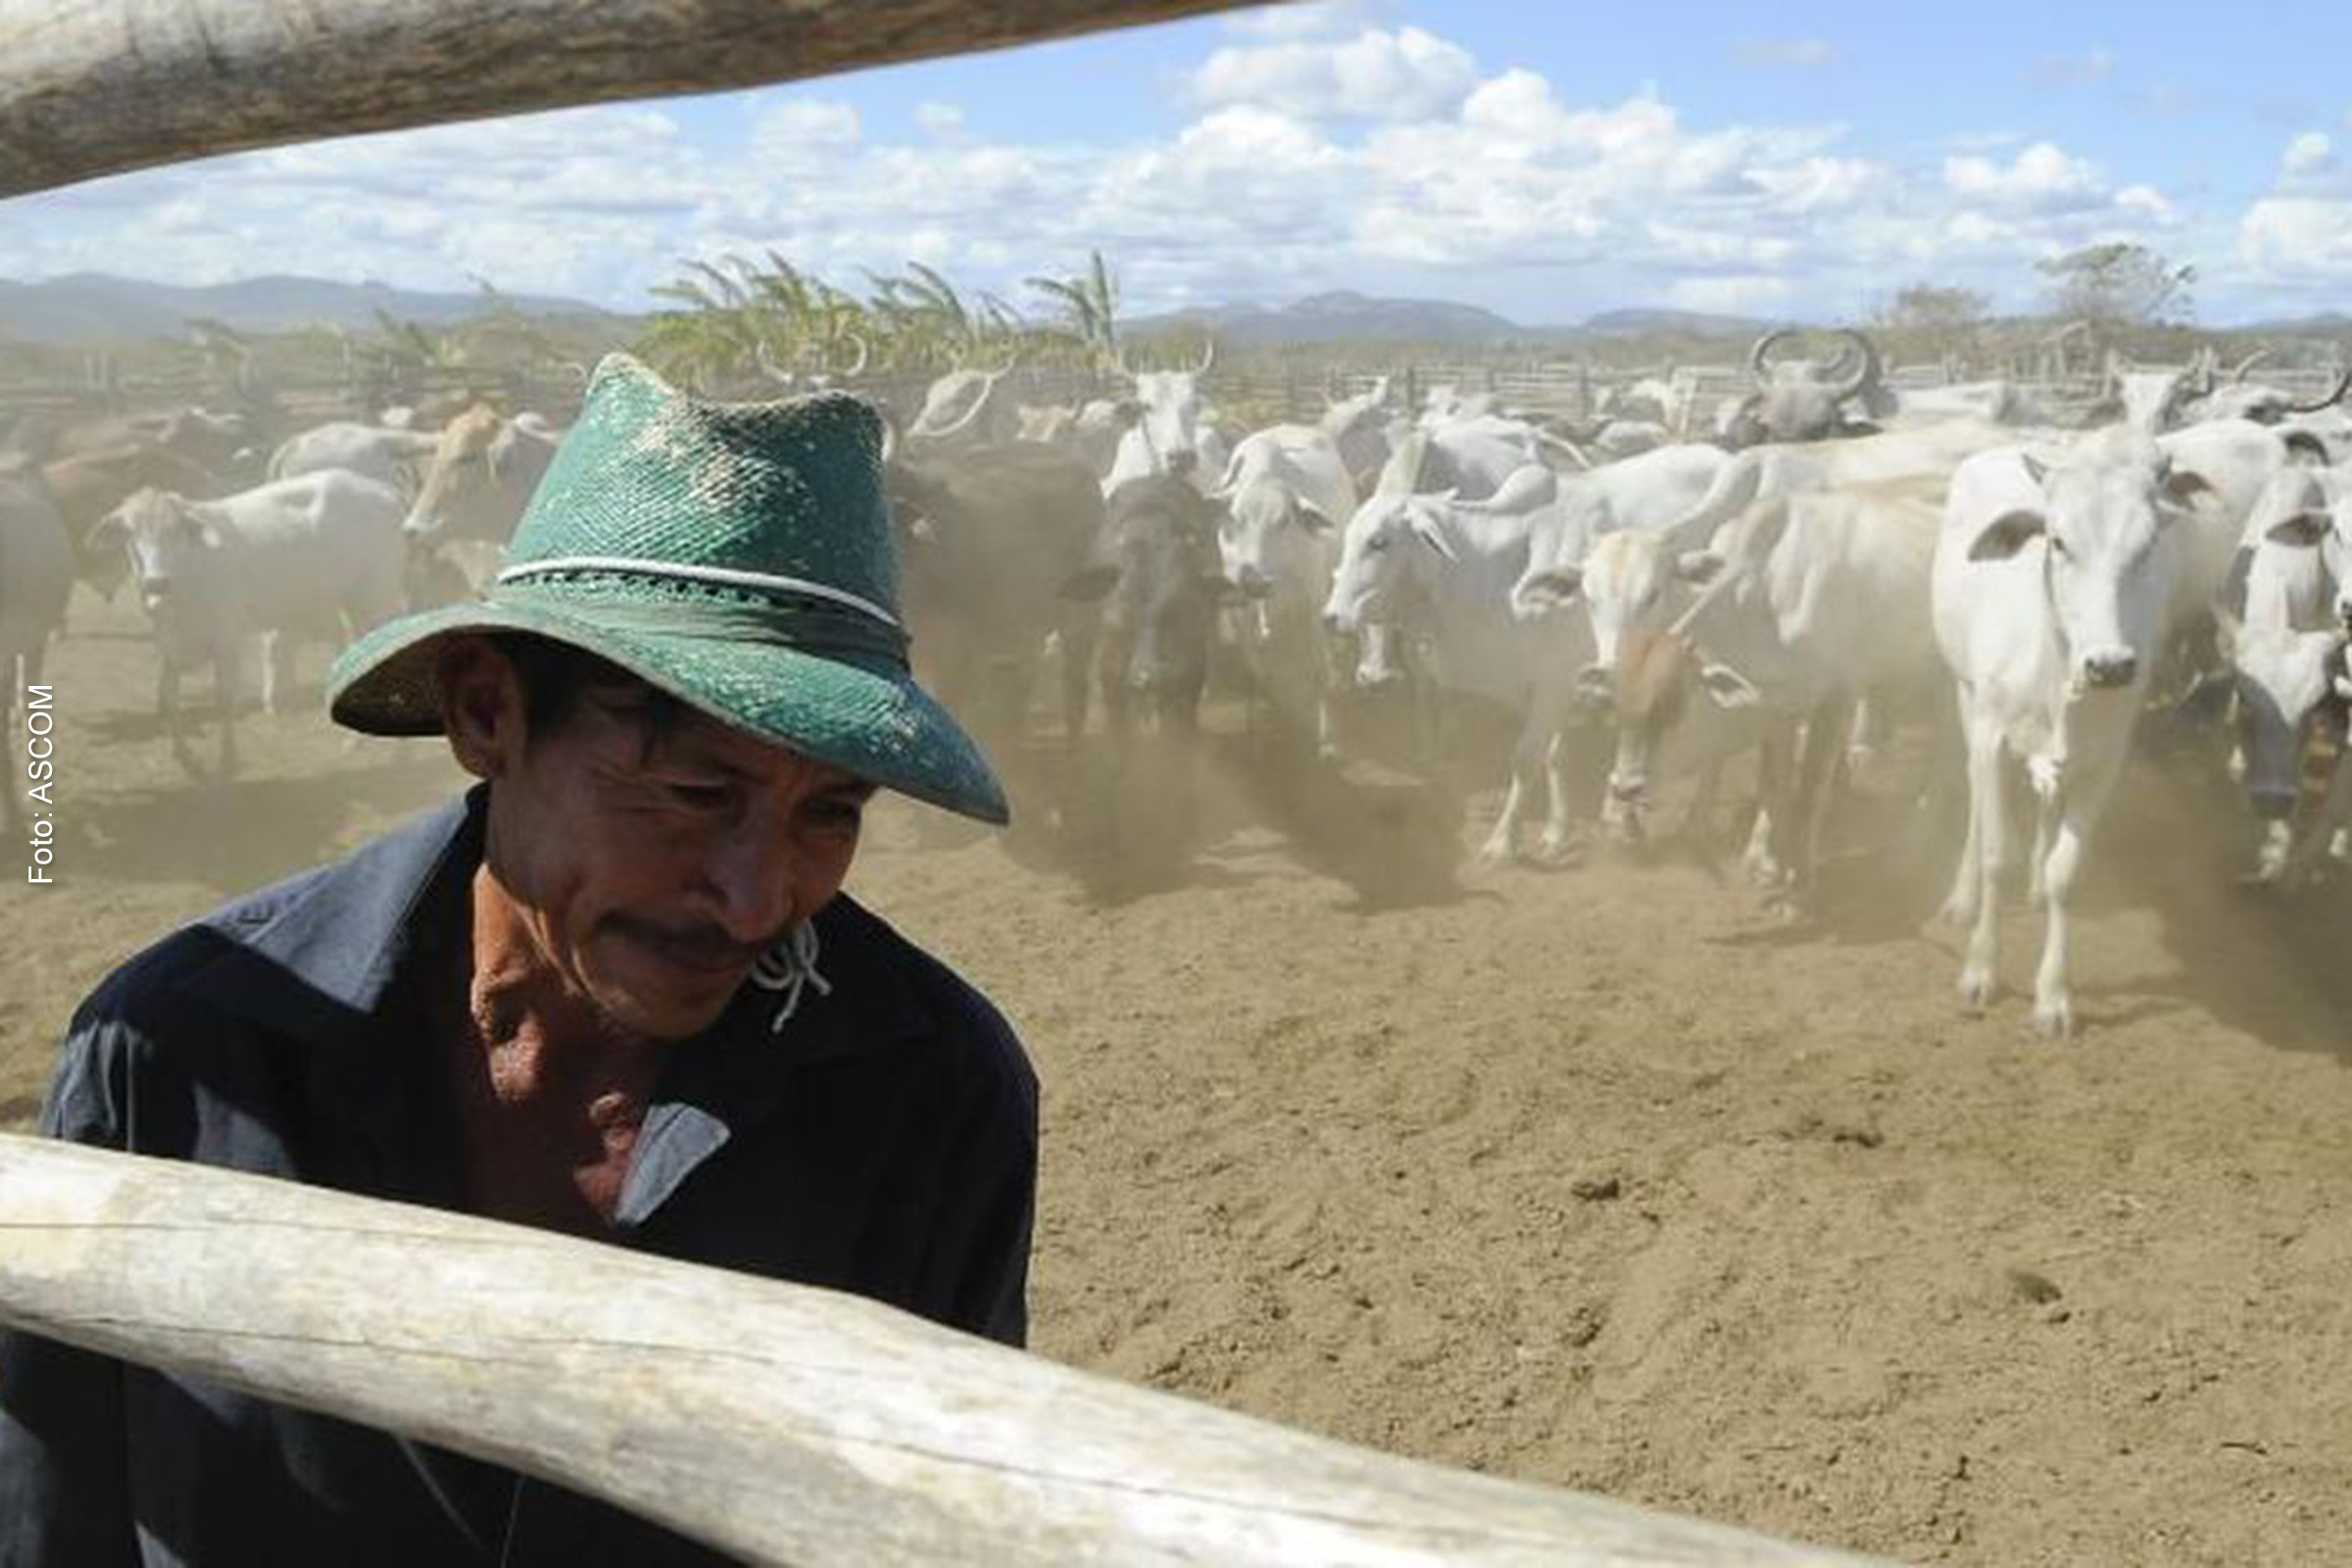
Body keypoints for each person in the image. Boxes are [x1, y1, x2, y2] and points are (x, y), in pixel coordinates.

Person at [0, 357, 1038, 1566]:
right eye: (693, 792)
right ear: (487, 712)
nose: (759, 900)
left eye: (831, 815)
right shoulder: (174, 1058)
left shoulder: (932, 1095)